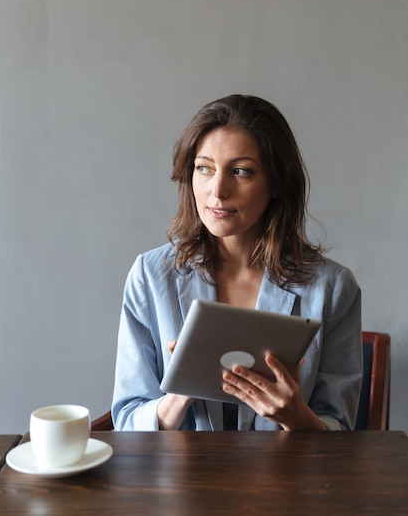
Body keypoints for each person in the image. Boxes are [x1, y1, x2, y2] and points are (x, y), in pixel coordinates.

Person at [112, 95, 362, 431]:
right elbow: (127, 420)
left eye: (240, 171)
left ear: (276, 182)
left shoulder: (332, 287)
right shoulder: (151, 275)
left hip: (286, 481)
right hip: (180, 480)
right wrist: (181, 391)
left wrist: (296, 417)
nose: (218, 190)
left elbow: (341, 432)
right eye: (204, 168)